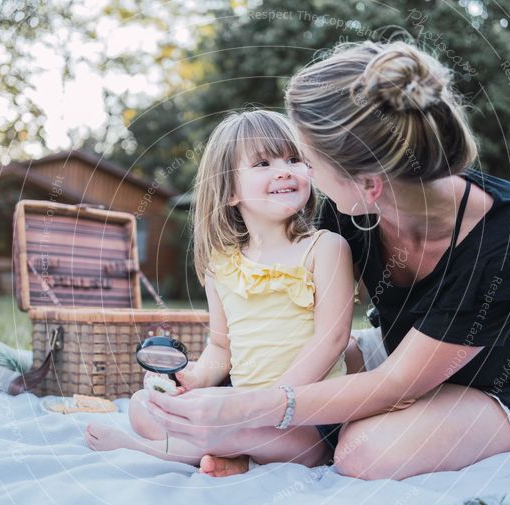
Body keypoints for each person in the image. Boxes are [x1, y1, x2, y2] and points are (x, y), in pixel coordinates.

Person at [143, 40, 510, 481]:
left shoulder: (505, 233)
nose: (303, 177)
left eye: (307, 162)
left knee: (361, 451)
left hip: (487, 389)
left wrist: (247, 408)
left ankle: (252, 442)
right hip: (399, 351)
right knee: (280, 370)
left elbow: (398, 384)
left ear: (368, 185)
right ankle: (247, 448)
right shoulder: (349, 209)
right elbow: (318, 325)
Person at [85, 109, 356, 475]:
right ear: (229, 191)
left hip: (307, 418)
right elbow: (222, 347)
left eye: (295, 159)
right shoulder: (221, 264)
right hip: (240, 408)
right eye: (263, 163)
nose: (285, 170)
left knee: (239, 427)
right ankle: (234, 457)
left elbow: (332, 339)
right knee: (141, 404)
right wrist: (193, 379)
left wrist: (266, 403)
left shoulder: (326, 248)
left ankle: (149, 450)